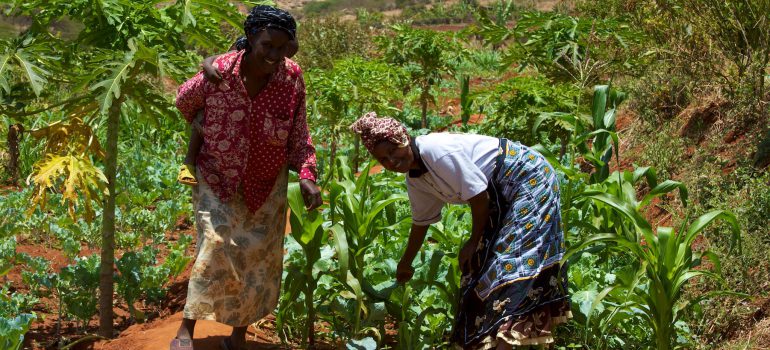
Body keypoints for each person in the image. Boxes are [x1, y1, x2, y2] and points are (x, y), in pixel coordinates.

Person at [350, 113, 571, 349]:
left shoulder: (435, 151)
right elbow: (421, 223)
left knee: (510, 263)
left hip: (529, 179)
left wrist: (473, 242)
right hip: (498, 195)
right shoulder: (415, 178)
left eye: (393, 151)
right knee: (475, 269)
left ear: (403, 138)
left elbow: (479, 198)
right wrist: (406, 263)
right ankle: (487, 342)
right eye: (383, 159)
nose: (391, 161)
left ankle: (507, 343)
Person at [171, 6, 321, 350]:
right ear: (252, 37)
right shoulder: (220, 72)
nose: (274, 55)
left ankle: (238, 334)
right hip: (218, 175)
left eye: (282, 48)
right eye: (268, 45)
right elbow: (183, 102)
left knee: (257, 258)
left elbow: (299, 133)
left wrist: (308, 175)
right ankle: (186, 329)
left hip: (267, 182)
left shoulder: (292, 78)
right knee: (214, 244)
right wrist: (206, 124)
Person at [177, 36, 298, 186]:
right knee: (205, 118)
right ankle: (188, 162)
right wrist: (208, 68)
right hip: (219, 107)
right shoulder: (240, 54)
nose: (276, 56)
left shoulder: (282, 69)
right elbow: (212, 59)